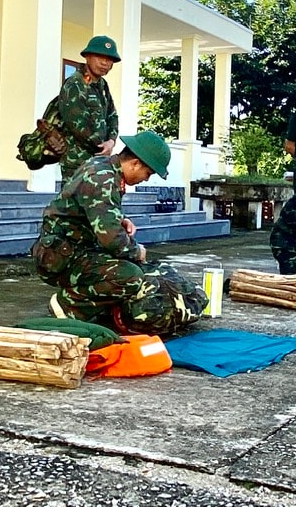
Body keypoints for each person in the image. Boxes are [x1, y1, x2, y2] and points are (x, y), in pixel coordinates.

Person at [32, 131, 207, 334]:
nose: (146, 180)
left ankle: (93, 306)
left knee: (130, 268)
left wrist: (119, 220)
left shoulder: (104, 168)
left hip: (68, 249)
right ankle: (69, 305)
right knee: (130, 275)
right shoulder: (103, 178)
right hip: (60, 257)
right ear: (135, 163)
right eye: (148, 173)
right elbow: (113, 239)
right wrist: (137, 251)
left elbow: (90, 211)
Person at [58, 35, 120, 177]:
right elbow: (77, 125)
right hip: (76, 161)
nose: (105, 63)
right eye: (100, 57)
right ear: (87, 57)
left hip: (98, 159)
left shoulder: (102, 85)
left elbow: (112, 115)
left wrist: (111, 141)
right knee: (72, 199)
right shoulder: (75, 84)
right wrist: (101, 146)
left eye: (110, 59)